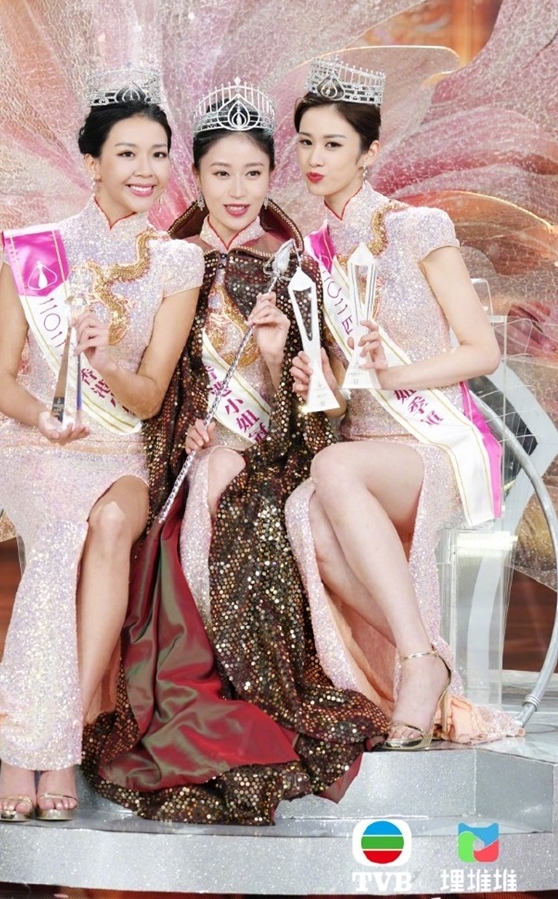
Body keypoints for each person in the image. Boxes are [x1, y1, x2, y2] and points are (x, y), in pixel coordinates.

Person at [82, 81, 388, 825]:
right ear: (195, 176)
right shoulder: (170, 265)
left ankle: (241, 693)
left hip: (269, 463)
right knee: (190, 503)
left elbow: (321, 419)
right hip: (182, 464)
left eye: (254, 173)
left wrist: (283, 361)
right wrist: (187, 429)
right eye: (221, 173)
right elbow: (154, 386)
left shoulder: (296, 271)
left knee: (242, 511)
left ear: (272, 176)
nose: (238, 190)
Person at [0, 70, 204, 820]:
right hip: (36, 448)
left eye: (158, 155)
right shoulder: (34, 251)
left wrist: (104, 361)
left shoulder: (177, 262)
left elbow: (150, 396)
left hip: (118, 455)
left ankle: (51, 737)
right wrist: (43, 418)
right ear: (92, 162)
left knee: (109, 524)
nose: (146, 170)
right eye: (128, 153)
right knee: (60, 537)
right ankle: (38, 752)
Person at [286, 57, 519, 749]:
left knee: (331, 470)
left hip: (435, 445)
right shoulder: (308, 255)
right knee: (304, 512)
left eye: (333, 143)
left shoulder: (420, 228)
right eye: (305, 142)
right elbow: (343, 386)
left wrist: (398, 374)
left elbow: (482, 351)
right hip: (363, 450)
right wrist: (315, 378)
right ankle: (426, 655)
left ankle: (418, 664)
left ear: (369, 151)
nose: (315, 158)